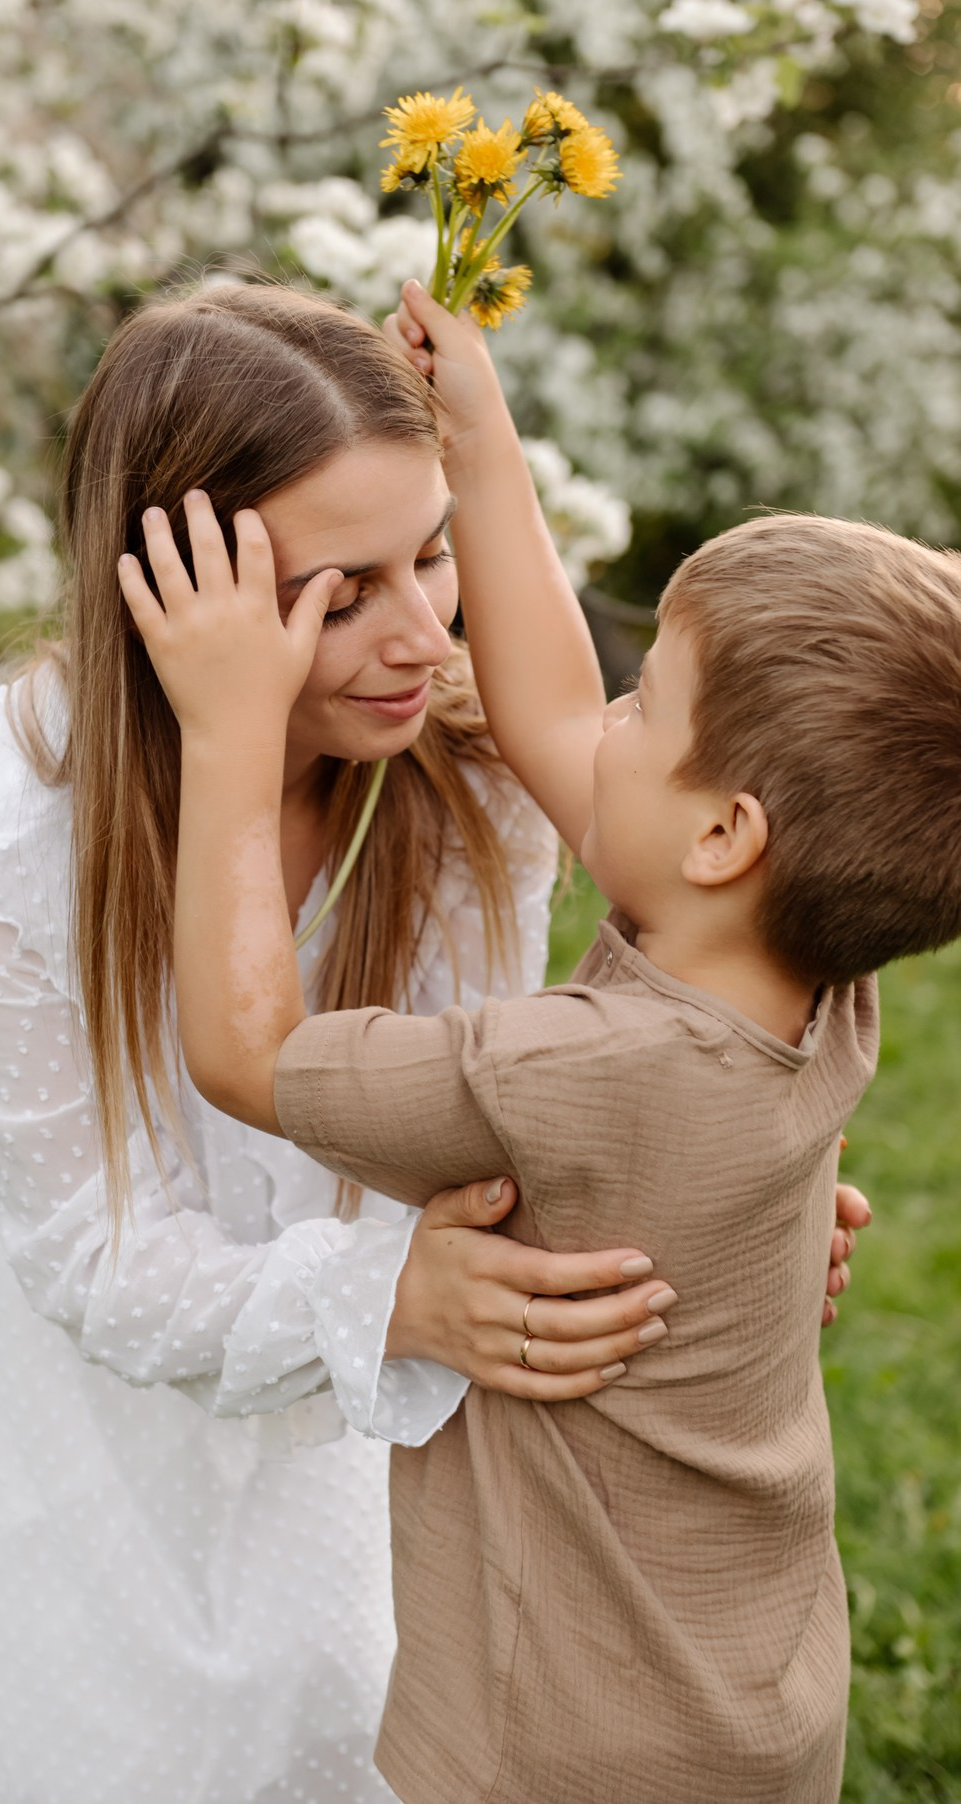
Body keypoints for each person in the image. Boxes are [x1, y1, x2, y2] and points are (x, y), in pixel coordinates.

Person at [0, 283, 716, 1804]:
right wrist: (393, 1296)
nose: (421, 635)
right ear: (175, 589)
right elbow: (95, 1261)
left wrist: (720, 1189)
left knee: (340, 1681)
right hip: (80, 1301)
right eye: (341, 591)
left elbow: (539, 1076)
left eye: (431, 557)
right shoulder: (8, 805)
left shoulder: (464, 773)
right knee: (76, 1712)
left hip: (370, 1308)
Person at [121, 283, 957, 1803]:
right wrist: (479, 445)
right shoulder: (821, 985)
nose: (597, 720)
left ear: (723, 835)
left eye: (652, 705)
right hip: (752, 1685)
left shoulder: (578, 1071)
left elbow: (248, 1052)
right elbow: (561, 716)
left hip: (562, 1723)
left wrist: (231, 731)